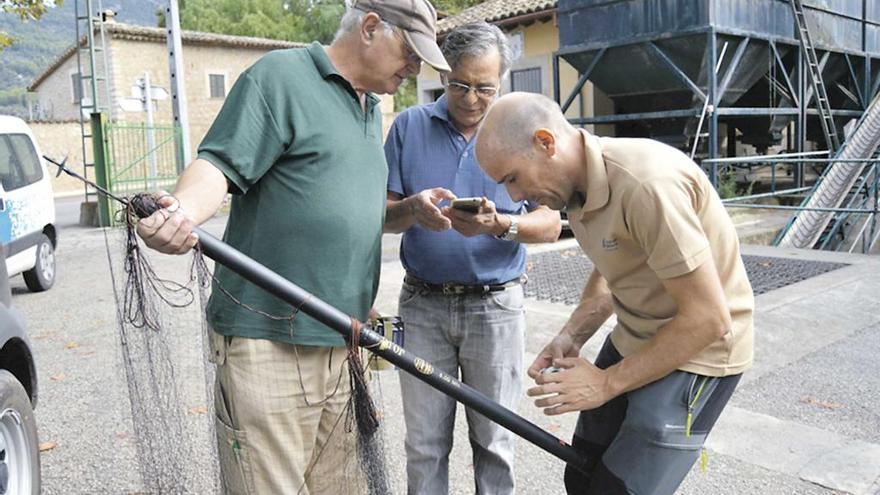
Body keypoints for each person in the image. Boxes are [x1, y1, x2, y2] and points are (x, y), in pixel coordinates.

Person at [135, 1, 450, 493]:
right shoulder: (279, 78)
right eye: (410, 52)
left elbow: (348, 214)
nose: (414, 68)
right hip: (269, 344)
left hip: (343, 345)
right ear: (370, 28)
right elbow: (217, 166)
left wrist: (411, 210)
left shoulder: (370, 106)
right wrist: (181, 212)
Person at [475, 92, 754, 495]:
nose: (515, 198)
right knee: (582, 474)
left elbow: (709, 319)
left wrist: (606, 384)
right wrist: (571, 336)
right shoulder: (573, 187)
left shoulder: (646, 184)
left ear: (545, 142)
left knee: (617, 490)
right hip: (637, 333)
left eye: (512, 178)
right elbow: (613, 265)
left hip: (701, 352)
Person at [383, 23, 561, 495]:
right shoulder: (408, 126)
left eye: (485, 87)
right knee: (424, 444)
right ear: (443, 74)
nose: (470, 98)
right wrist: (412, 210)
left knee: (496, 443)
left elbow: (550, 222)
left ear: (502, 80)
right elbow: (382, 217)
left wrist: (501, 224)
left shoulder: (521, 130)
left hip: (496, 308)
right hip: (422, 306)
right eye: (459, 84)